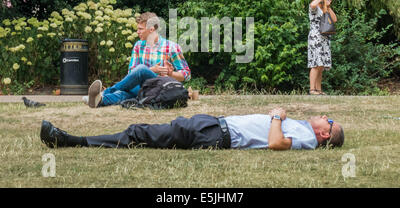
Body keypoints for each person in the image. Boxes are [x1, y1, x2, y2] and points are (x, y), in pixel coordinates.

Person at [40, 107, 345, 150]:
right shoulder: (305, 127)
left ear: (325, 133)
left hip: (216, 134)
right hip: (214, 125)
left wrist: (277, 116)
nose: (323, 116)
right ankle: (75, 140)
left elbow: (277, 144)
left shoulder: (307, 138)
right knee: (145, 134)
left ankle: (71, 141)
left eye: (328, 120)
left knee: (140, 133)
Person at [86, 12, 191, 108]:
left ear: (151, 29)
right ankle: (100, 100)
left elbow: (186, 75)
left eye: (140, 29)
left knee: (141, 69)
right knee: (127, 93)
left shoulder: (172, 47)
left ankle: (105, 92)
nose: (137, 32)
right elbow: (131, 74)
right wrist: (152, 69)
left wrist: (170, 73)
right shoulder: (138, 46)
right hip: (143, 89)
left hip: (161, 87)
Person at [308, 0, 337, 95]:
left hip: (325, 38)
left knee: (321, 65)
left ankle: (318, 89)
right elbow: (312, 4)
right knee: (315, 64)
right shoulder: (315, 8)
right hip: (316, 38)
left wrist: (328, 7)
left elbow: (334, 19)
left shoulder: (326, 9)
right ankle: (312, 89)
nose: (329, 0)